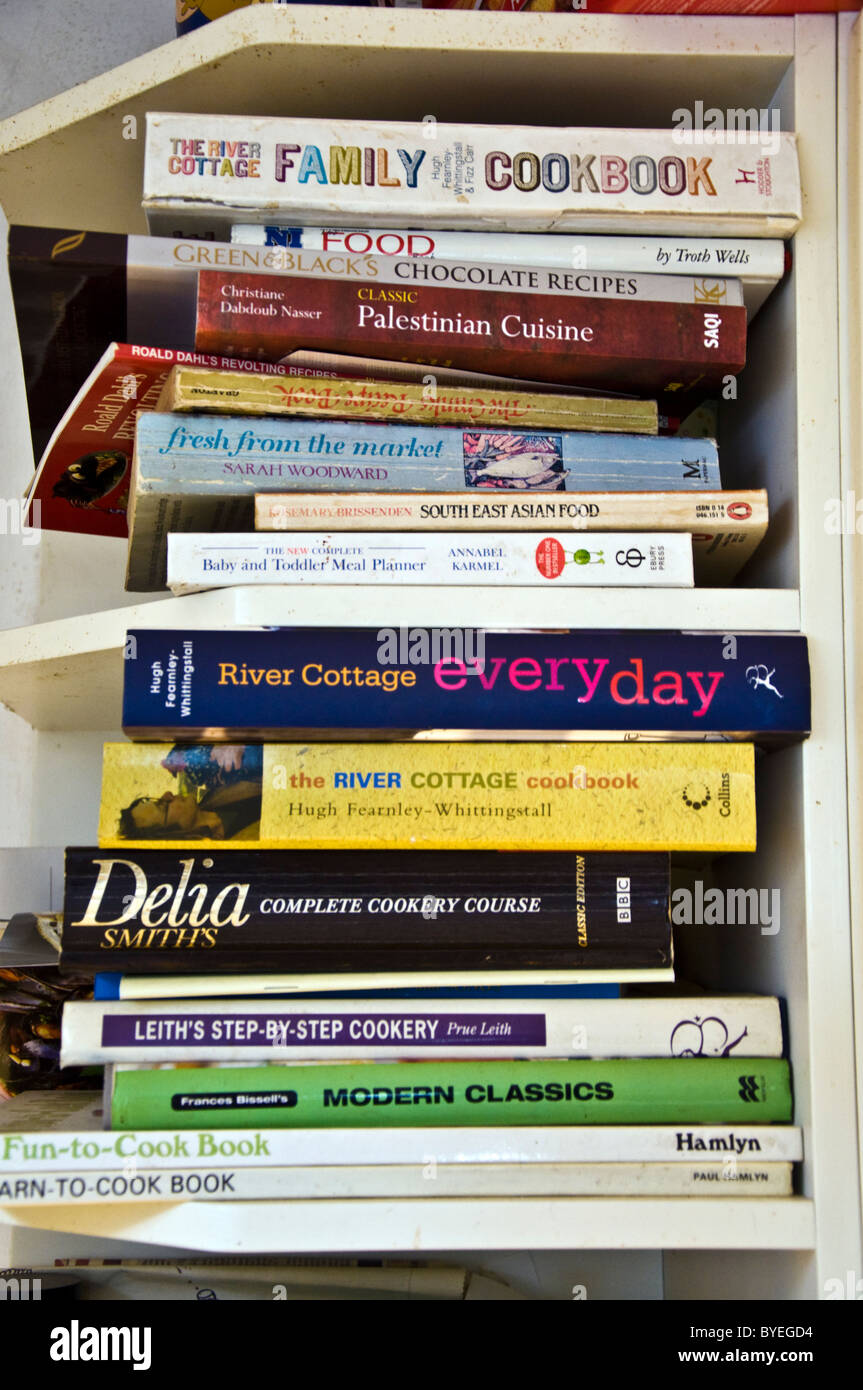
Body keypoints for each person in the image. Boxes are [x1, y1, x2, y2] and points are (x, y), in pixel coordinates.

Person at [117, 744, 263, 840]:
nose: (167, 794)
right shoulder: (235, 846)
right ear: (173, 835)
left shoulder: (215, 795)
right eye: (163, 806)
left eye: (157, 799)